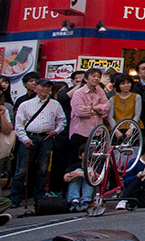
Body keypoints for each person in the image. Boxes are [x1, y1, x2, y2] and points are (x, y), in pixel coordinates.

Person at [11, 78, 65, 207]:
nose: (45, 89)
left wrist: (56, 131)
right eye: (42, 87)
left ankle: (39, 195)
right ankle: (15, 197)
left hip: (46, 138)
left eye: (48, 87)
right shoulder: (25, 104)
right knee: (21, 170)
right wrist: (24, 139)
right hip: (30, 137)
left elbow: (62, 121)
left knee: (43, 169)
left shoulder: (55, 104)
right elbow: (19, 125)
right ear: (36, 88)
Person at [69, 68, 109, 154]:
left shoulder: (100, 91)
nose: (96, 78)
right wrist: (97, 110)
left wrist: (92, 107)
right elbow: (80, 112)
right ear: (86, 79)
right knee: (77, 159)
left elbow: (106, 107)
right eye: (93, 76)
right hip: (81, 132)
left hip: (97, 132)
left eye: (98, 77)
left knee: (95, 159)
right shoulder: (78, 93)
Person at [63, 146, 93, 212]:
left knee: (89, 170)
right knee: (78, 170)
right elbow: (65, 178)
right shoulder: (75, 166)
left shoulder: (96, 166)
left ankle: (85, 201)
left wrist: (80, 174)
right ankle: (74, 201)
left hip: (90, 196)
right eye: (86, 153)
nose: (88, 155)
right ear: (80, 156)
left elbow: (95, 178)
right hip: (72, 195)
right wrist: (78, 173)